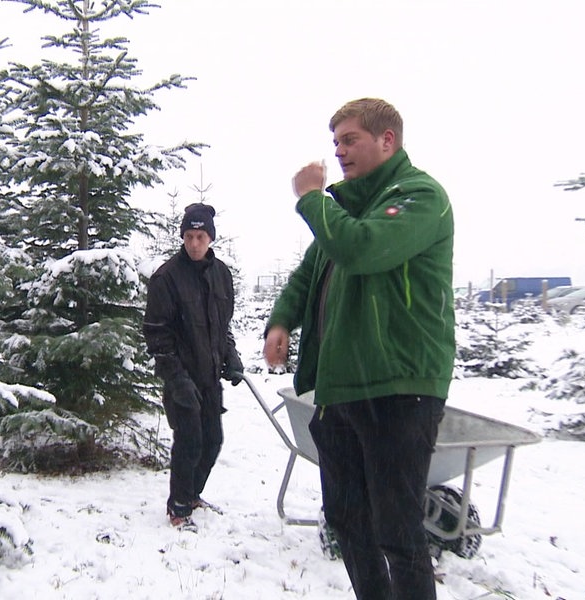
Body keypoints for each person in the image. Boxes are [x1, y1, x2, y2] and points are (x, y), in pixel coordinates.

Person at [263, 98, 455, 599]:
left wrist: (312, 198)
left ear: (387, 140)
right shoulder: (349, 207)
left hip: (398, 387)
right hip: (340, 387)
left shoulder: (419, 196)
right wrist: (282, 319)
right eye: (337, 143)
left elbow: (362, 248)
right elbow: (310, 272)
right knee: (348, 522)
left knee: (397, 529)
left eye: (351, 140)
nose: (340, 151)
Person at [144, 202, 245, 531]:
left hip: (210, 376)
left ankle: (193, 493)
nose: (194, 243)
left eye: (200, 236)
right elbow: (157, 335)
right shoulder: (167, 278)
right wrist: (176, 378)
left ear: (210, 237)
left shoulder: (222, 275)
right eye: (188, 236)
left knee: (213, 440)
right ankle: (179, 506)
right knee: (189, 442)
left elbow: (222, 326)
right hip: (182, 377)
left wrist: (230, 355)